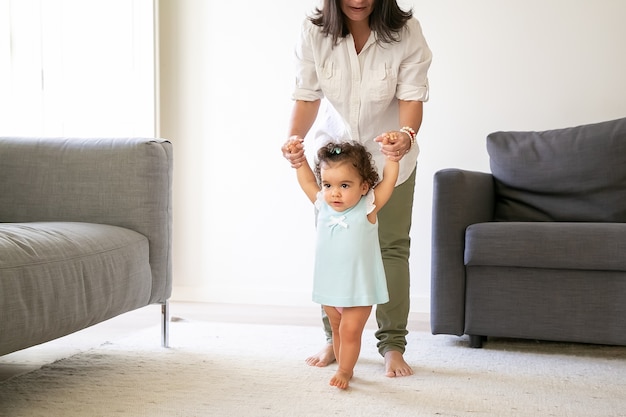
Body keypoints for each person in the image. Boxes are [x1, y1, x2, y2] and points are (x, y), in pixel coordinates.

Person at [281, 0, 432, 378]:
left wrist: (406, 136)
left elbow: (411, 96)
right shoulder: (315, 32)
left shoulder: (406, 32)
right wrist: (293, 139)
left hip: (390, 158)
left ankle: (392, 344)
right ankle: (333, 338)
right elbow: (306, 94)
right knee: (333, 248)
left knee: (391, 249)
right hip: (336, 166)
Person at [287, 138, 399, 389]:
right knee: (336, 328)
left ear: (364, 187)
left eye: (344, 185)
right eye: (328, 184)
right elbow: (307, 181)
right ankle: (340, 360)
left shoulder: (367, 207)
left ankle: (346, 371)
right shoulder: (323, 206)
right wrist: (299, 160)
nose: (334, 192)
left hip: (358, 289)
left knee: (349, 331)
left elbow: (389, 181)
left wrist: (392, 158)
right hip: (330, 287)